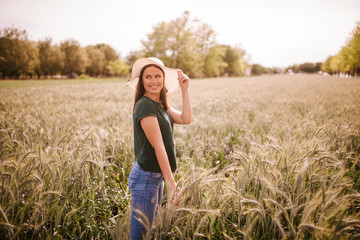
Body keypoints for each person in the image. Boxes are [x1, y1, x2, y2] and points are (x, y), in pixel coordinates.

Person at [126, 57, 192, 239]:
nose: (153, 81)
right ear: (142, 81)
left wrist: (185, 89)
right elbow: (159, 147)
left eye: (157, 76)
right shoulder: (145, 105)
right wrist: (172, 184)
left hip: (155, 176)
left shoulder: (160, 105)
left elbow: (186, 119)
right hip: (145, 178)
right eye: (148, 77)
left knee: (149, 229)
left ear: (163, 79)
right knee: (140, 233)